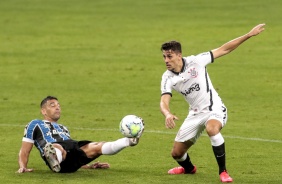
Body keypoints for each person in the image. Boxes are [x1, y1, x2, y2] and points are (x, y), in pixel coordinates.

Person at [159, 24, 265, 182]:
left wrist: (248, 35)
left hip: (214, 108)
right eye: (164, 57)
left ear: (179, 55)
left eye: (170, 56)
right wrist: (167, 113)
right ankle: (189, 168)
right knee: (176, 153)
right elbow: (164, 99)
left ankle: (223, 172)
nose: (166, 60)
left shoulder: (197, 61)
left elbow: (224, 49)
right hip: (195, 113)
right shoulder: (167, 77)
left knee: (212, 129)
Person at [17, 96, 144, 173]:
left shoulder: (63, 128)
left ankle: (129, 141)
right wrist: (23, 167)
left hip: (70, 157)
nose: (57, 107)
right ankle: (53, 157)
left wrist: (88, 166)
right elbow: (24, 151)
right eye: (52, 105)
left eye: (59, 105)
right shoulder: (35, 124)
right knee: (57, 147)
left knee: (96, 146)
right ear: (43, 111)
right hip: (54, 148)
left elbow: (73, 152)